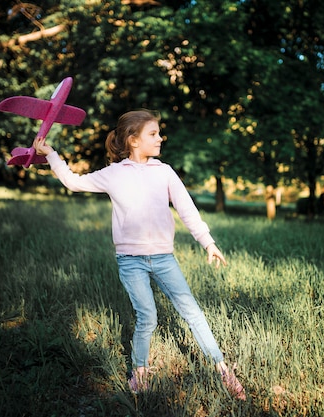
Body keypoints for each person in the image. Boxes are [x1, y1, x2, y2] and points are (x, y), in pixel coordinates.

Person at [33, 109, 246, 400]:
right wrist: (50, 154)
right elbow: (73, 181)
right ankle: (140, 372)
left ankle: (223, 370)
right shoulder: (113, 174)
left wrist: (208, 242)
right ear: (133, 140)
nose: (160, 138)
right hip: (130, 261)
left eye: (158, 133)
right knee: (147, 316)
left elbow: (187, 210)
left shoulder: (164, 171)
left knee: (193, 313)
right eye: (153, 134)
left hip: (164, 259)